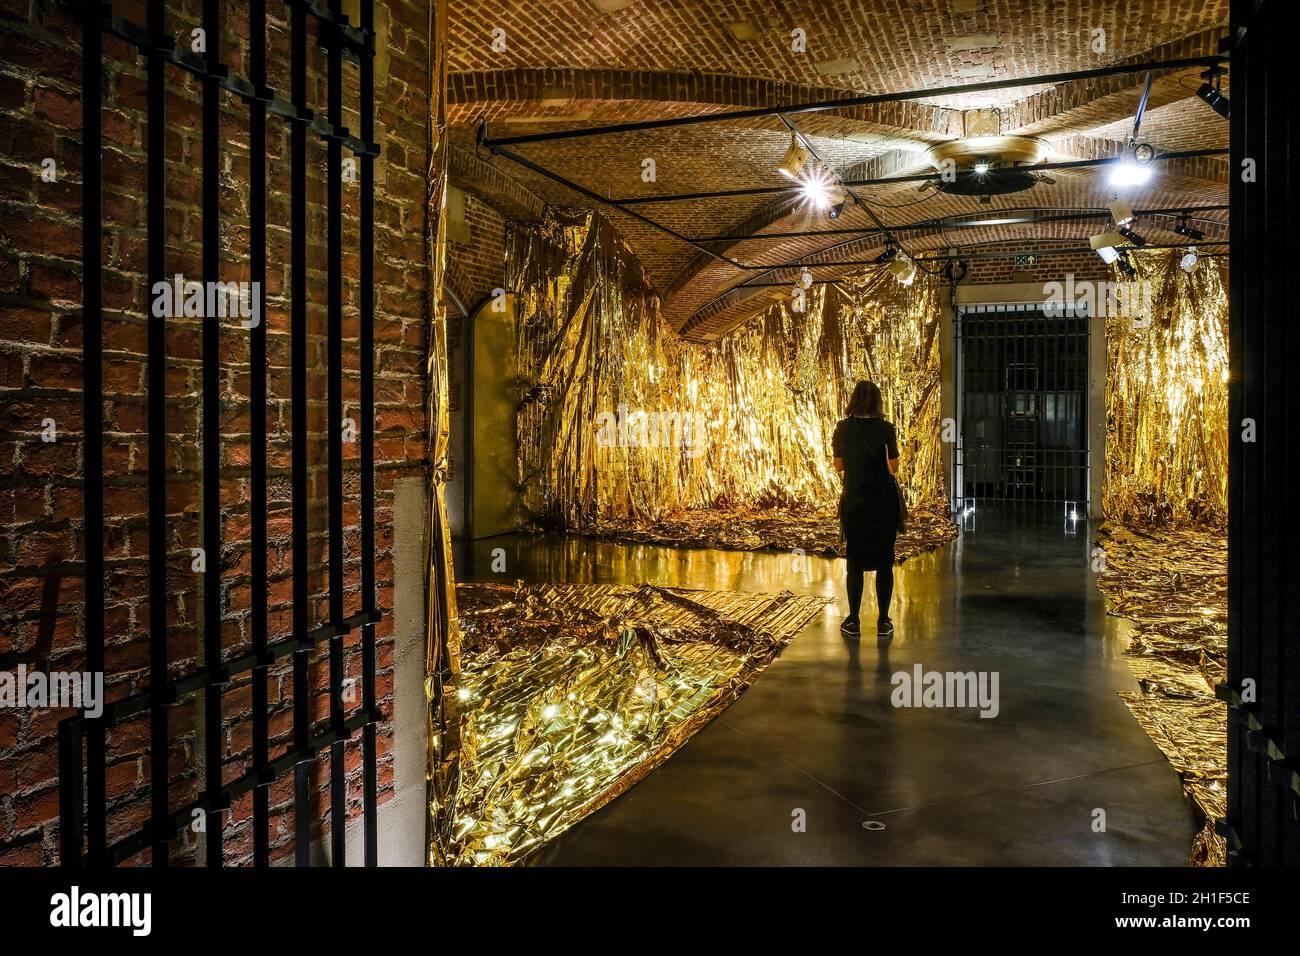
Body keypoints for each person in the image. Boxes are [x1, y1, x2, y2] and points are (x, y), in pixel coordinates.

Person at [832, 380, 900, 638]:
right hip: (884, 500)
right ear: (877, 401)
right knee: (885, 560)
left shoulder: (842, 428)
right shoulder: (886, 428)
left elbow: (838, 466)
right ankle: (883, 621)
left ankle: (853, 620)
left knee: (855, 560)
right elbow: (893, 466)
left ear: (853, 400)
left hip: (855, 500)